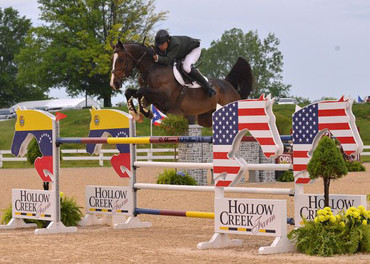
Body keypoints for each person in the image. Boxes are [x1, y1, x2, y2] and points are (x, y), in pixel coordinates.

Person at [147, 29, 216, 97]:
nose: (160, 47)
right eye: (159, 45)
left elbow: (167, 60)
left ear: (168, 40)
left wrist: (157, 58)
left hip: (193, 50)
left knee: (186, 67)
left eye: (162, 44)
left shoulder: (175, 44)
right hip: (182, 52)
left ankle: (208, 86)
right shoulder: (161, 44)